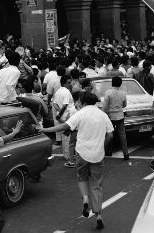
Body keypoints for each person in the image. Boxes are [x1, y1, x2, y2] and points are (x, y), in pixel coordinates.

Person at [36, 92, 114, 230]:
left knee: (82, 177)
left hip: (82, 152)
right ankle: (98, 215)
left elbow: (64, 127)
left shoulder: (80, 114)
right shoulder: (103, 115)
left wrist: (45, 129)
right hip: (98, 154)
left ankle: (85, 199)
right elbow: (110, 134)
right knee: (96, 184)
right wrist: (102, 146)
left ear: (82, 101)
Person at [103, 76, 129, 160]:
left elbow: (105, 106)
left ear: (112, 83)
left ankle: (108, 151)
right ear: (120, 84)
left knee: (109, 134)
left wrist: (104, 115)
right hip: (120, 116)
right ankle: (126, 153)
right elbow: (125, 105)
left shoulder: (108, 92)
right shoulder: (123, 93)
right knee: (122, 135)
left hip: (110, 116)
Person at [52, 74, 75, 167]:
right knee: (68, 138)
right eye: (69, 82)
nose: (70, 84)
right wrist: (62, 115)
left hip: (63, 117)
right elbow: (65, 105)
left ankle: (66, 155)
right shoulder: (66, 92)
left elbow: (54, 104)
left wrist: (59, 115)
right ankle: (68, 156)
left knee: (64, 137)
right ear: (64, 83)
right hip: (67, 117)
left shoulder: (58, 91)